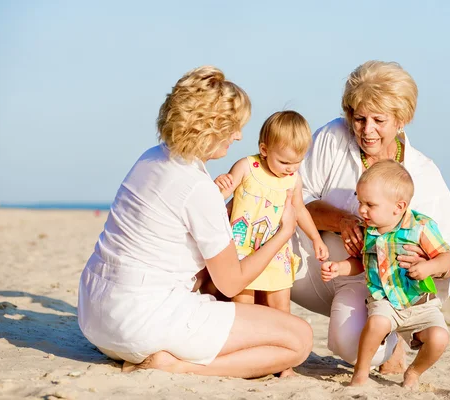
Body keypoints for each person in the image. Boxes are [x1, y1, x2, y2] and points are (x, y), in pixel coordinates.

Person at [77, 66, 313, 378]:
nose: (240, 135)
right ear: (208, 128)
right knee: (299, 340)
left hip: (94, 315)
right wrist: (283, 233)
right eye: (233, 127)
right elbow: (232, 282)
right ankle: (179, 366)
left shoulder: (151, 157)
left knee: (212, 285)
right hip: (138, 324)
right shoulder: (197, 186)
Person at [290, 60, 450, 373]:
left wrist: (424, 261)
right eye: (359, 118)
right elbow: (293, 194)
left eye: (378, 120)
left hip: (378, 288)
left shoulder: (424, 174)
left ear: (401, 119)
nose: (366, 130)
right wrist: (341, 220)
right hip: (318, 267)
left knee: (353, 349)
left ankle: (393, 337)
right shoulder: (332, 137)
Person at [214, 111, 329, 377]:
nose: (291, 168)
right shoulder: (246, 167)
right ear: (264, 150)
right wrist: (219, 186)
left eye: (297, 162)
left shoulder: (293, 179)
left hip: (277, 255)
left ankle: (283, 363)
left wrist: (315, 238)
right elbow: (220, 197)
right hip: (242, 252)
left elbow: (299, 210)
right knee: (245, 310)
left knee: (280, 311)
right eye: (285, 161)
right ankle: (248, 358)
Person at [321, 160, 450, 388]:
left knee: (440, 338)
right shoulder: (369, 230)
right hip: (385, 300)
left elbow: (446, 258)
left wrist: (428, 268)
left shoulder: (421, 227)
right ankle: (360, 373)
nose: (361, 210)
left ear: (398, 206)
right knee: (377, 323)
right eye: (360, 201)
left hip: (420, 302)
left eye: (369, 204)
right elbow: (361, 263)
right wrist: (339, 268)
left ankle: (414, 372)